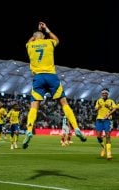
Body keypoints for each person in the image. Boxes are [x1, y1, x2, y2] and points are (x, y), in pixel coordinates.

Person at [23, 21, 87, 149]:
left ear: (34, 38)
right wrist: (46, 29)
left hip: (38, 78)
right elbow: (57, 39)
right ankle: (76, 128)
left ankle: (29, 130)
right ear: (44, 38)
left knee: (34, 106)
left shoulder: (30, 45)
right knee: (64, 104)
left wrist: (35, 34)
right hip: (52, 76)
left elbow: (29, 41)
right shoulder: (48, 42)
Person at [94, 88, 116, 160]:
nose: (104, 94)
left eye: (105, 93)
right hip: (99, 119)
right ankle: (103, 147)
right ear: (101, 94)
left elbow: (115, 109)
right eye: (103, 93)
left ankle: (109, 154)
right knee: (98, 136)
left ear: (108, 94)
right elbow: (95, 109)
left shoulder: (111, 101)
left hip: (107, 120)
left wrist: (109, 107)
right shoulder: (99, 101)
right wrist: (98, 107)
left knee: (108, 136)